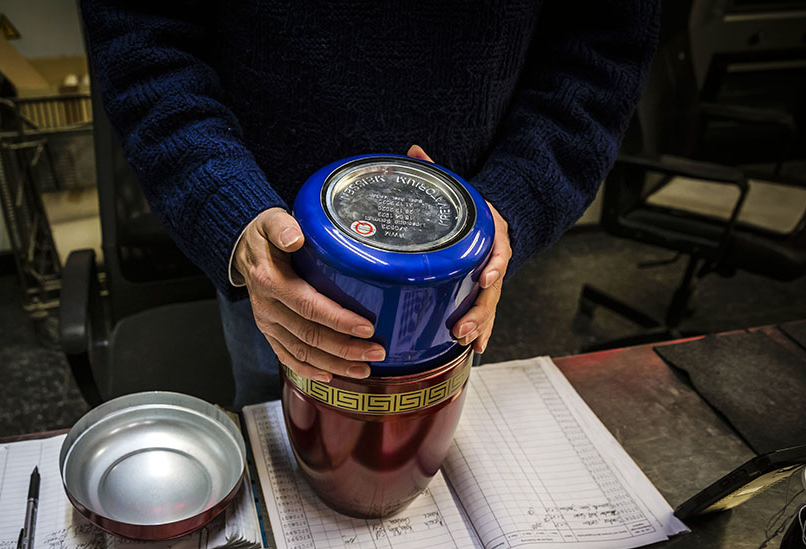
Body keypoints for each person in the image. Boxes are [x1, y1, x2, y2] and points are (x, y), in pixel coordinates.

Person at [81, 1, 660, 406]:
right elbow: (142, 39)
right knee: (280, 441)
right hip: (275, 262)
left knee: (420, 447)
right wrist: (227, 205)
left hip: (459, 266)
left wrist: (514, 198)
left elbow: (602, 51)